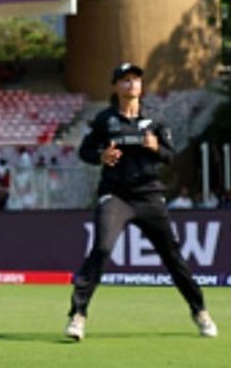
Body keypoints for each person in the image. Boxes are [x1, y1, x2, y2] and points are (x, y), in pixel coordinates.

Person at [64, 63, 217, 342]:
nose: (131, 84)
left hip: (149, 196)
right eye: (124, 80)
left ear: (141, 86)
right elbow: (85, 150)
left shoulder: (155, 120)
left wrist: (155, 147)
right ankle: (78, 315)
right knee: (101, 248)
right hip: (116, 195)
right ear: (116, 86)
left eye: (135, 79)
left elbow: (171, 156)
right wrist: (101, 156)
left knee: (172, 256)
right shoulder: (105, 120)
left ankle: (200, 311)